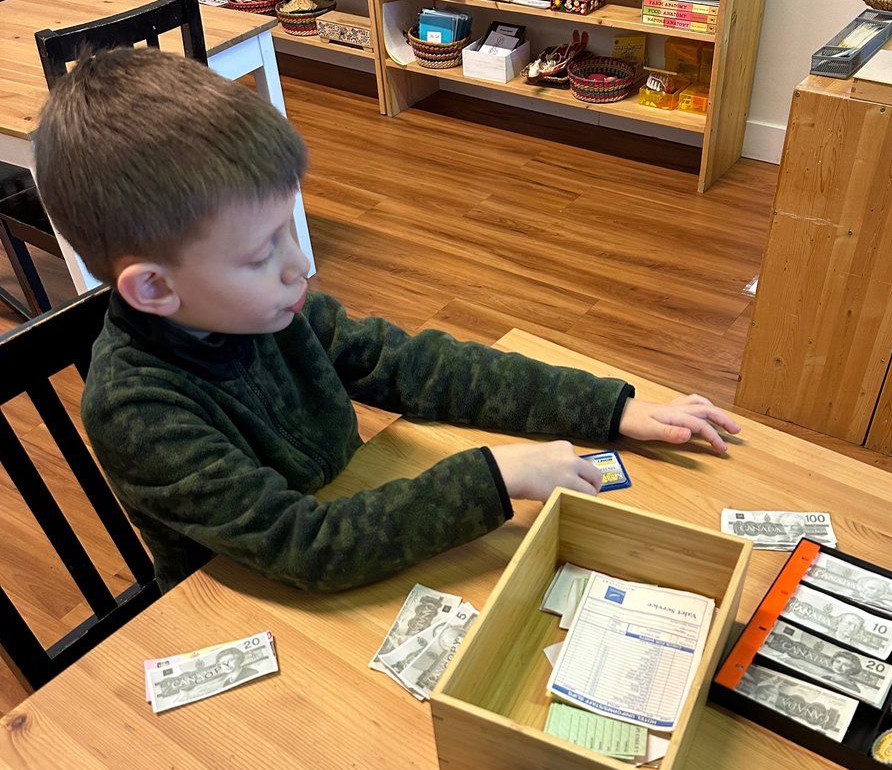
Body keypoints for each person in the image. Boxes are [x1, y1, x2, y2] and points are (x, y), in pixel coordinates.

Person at [34, 48, 741, 594]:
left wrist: (611, 406)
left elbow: (418, 366)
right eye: (260, 253)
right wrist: (496, 474)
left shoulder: (270, 309)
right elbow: (305, 545)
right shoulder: (136, 408)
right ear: (154, 287)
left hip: (349, 540)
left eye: (291, 230)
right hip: (251, 602)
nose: (299, 268)